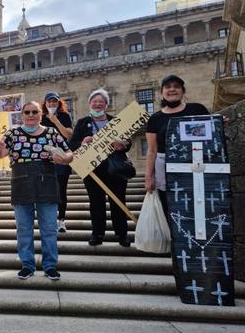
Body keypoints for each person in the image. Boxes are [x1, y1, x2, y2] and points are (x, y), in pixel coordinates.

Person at [0, 101, 73, 280]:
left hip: (47, 184)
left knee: (49, 229)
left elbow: (69, 153)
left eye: (34, 111)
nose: (31, 115)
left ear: (40, 114)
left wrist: (64, 159)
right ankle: (27, 265)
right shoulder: (12, 133)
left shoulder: (51, 133)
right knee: (23, 229)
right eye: (27, 112)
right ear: (22, 116)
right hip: (21, 184)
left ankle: (50, 266)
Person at [68, 88, 132, 247]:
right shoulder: (83, 123)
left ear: (105, 104)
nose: (97, 104)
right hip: (92, 169)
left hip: (115, 167)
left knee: (118, 200)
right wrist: (83, 143)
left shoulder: (115, 121)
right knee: (96, 202)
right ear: (90, 103)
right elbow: (73, 144)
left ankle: (122, 234)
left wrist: (122, 144)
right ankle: (97, 234)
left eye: (101, 101)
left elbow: (128, 142)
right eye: (94, 101)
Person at [145, 75, 209, 216]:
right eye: (168, 87)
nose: (172, 89)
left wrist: (220, 123)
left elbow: (210, 134)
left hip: (195, 166)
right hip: (165, 170)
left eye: (176, 86)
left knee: (196, 204)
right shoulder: (155, 119)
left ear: (183, 91)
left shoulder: (197, 110)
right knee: (168, 207)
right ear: (161, 93)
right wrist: (149, 176)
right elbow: (152, 150)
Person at [41, 92, 74, 234]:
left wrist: (56, 121)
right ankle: (49, 220)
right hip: (45, 159)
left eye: (55, 102)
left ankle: (61, 220)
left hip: (61, 157)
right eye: (49, 102)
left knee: (61, 190)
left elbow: (68, 135)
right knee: (47, 190)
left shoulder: (64, 116)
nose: (52, 104)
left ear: (59, 103)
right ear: (45, 103)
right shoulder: (40, 117)